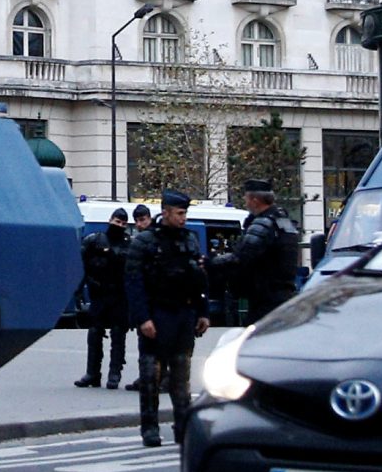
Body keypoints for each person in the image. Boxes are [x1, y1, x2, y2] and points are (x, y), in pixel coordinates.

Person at [125, 189, 209, 448]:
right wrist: (143, 318)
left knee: (181, 377)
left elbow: (198, 278)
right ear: (166, 212)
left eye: (185, 214)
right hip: (157, 314)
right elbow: (133, 282)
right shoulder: (145, 241)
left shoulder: (190, 240)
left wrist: (203, 311)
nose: (183, 218)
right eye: (180, 213)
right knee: (151, 375)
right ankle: (150, 428)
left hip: (183, 314)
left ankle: (183, 427)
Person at [214, 177, 303, 324]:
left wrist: (211, 262)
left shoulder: (264, 223)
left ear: (255, 201)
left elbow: (242, 257)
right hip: (283, 296)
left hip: (265, 299)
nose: (245, 202)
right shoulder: (284, 221)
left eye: (246, 198)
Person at [75, 209, 132, 389]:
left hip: (120, 296)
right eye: (117, 221)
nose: (119, 225)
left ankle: (114, 373)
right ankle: (92, 373)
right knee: (94, 333)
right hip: (99, 293)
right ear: (110, 220)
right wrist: (79, 290)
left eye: (123, 223)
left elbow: (134, 272)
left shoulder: (129, 244)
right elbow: (81, 266)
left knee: (118, 334)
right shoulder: (94, 240)